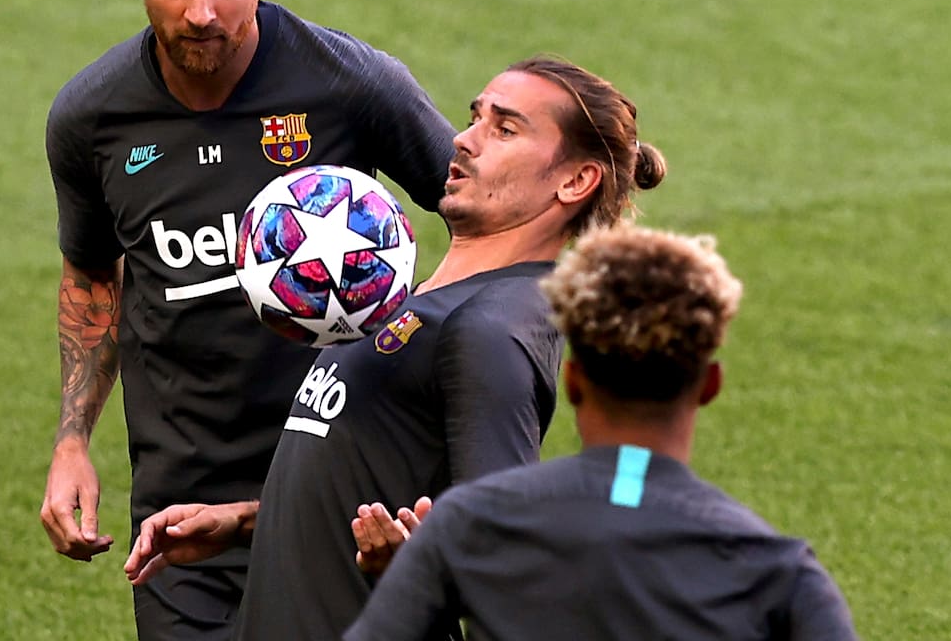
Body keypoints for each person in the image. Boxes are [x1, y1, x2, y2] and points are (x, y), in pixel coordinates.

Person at [40, 0, 456, 639]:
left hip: (341, 490)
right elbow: (93, 276)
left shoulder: (351, 85)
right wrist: (71, 443)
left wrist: (409, 322)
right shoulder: (91, 120)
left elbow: (487, 216)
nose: (202, 11)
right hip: (180, 526)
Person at [125, 55, 669, 641]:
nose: (465, 139)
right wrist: (251, 520)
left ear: (575, 181)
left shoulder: (489, 325)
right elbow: (390, 491)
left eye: (505, 129)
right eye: (475, 117)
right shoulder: (425, 305)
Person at [342, 223, 860, 641]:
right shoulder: (776, 571)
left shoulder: (467, 527)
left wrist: (415, 582)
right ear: (708, 385)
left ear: (572, 380)